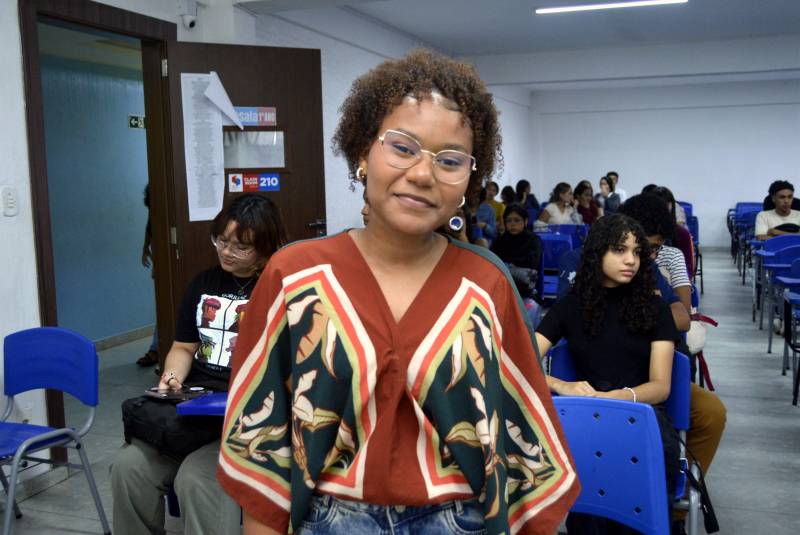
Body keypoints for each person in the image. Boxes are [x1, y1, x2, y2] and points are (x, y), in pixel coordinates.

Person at [216, 49, 579, 535]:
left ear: (469, 180)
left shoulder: (486, 284)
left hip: (461, 520)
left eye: (450, 160)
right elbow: (262, 442)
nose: (424, 174)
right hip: (328, 520)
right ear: (362, 154)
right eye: (403, 148)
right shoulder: (294, 275)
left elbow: (523, 447)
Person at [111, 194, 288, 535]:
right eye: (221, 241)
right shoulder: (203, 283)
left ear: (265, 248)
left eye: (241, 247)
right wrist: (171, 377)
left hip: (244, 419)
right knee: (127, 467)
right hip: (195, 410)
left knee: (196, 478)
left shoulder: (279, 289)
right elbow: (183, 347)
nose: (226, 252)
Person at [534, 214, 680, 534]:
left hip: (643, 414)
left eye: (637, 252)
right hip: (588, 415)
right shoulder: (570, 306)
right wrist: (561, 385)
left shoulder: (655, 308)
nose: (631, 260)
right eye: (619, 250)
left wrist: (617, 398)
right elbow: (519, 362)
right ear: (597, 253)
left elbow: (660, 386)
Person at [490, 203, 542, 299]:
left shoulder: (533, 240)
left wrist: (508, 264)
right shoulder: (500, 241)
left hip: (524, 288)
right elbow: (492, 261)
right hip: (502, 286)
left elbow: (532, 263)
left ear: (525, 221)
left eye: (517, 220)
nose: (512, 224)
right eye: (509, 221)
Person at [647, 186, 695, 276]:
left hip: (674, 279)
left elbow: (688, 270)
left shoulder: (682, 233)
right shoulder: (640, 231)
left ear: (671, 206)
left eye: (665, 205)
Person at [137, 184, 160, 367]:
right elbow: (149, 227)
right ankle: (156, 349)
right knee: (162, 308)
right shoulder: (154, 210)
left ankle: (156, 350)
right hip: (160, 263)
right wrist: (145, 248)